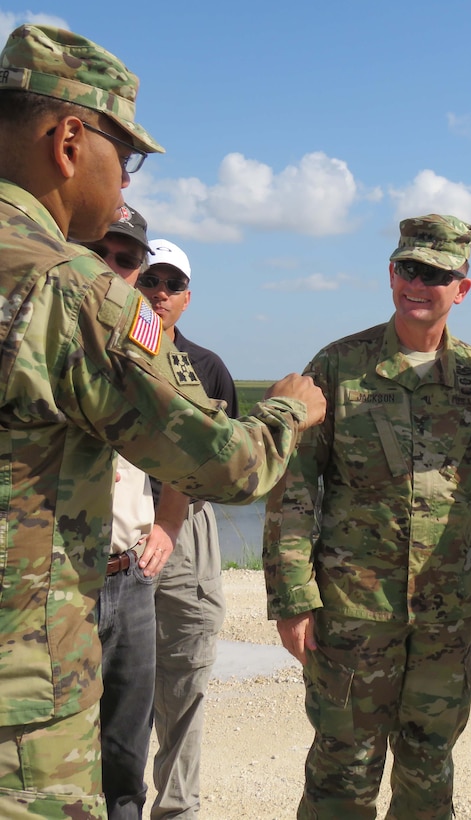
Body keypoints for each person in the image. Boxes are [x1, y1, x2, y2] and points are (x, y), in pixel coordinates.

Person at [0, 24, 325, 818]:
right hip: (21, 711)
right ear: (71, 140)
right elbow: (226, 465)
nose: (125, 190)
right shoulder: (74, 293)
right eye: (128, 158)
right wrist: (290, 410)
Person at [264, 214, 471, 819]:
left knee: (429, 768)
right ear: (391, 273)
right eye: (410, 268)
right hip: (354, 611)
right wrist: (291, 598)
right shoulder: (338, 368)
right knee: (343, 770)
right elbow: (294, 491)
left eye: (437, 274)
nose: (420, 283)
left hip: (443, 613)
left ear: (461, 288)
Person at [77, 205, 187, 819]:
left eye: (126, 261)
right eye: (100, 254)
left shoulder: (150, 343)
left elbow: (188, 436)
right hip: (57, 578)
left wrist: (169, 523)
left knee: (125, 757)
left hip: (128, 575)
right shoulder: (38, 321)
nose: (112, 271)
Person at [135, 238, 237, 819]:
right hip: (114, 522)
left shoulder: (207, 368)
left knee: (186, 677)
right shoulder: (105, 352)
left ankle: (177, 811)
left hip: (186, 529)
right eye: (149, 279)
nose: (159, 293)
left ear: (187, 297)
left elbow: (219, 460)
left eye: (171, 284)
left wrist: (173, 519)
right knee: (113, 679)